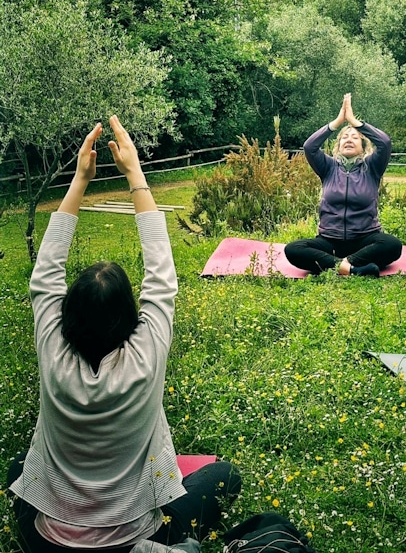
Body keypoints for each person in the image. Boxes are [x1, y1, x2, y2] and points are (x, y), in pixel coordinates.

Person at [7, 116, 241, 553]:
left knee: (19, 468)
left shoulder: (52, 348)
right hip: (132, 537)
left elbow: (45, 274)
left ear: (65, 313)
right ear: (130, 315)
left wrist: (79, 179)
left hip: (49, 543)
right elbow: (161, 274)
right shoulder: (146, 353)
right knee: (224, 476)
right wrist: (135, 173)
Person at [284, 94, 403, 276]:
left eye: (354, 137)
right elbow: (309, 147)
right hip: (330, 240)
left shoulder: (372, 167)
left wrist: (355, 122)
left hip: (364, 239)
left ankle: (341, 265)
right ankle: (353, 269)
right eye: (344, 137)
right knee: (293, 249)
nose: (349, 139)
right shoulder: (328, 167)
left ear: (363, 146)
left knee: (392, 245)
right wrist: (336, 123)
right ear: (338, 145)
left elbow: (385, 143)